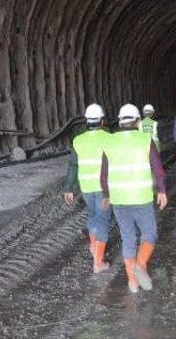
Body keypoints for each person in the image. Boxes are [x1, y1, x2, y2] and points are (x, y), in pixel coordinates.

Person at [102, 104, 168, 293]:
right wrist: (162, 190)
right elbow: (157, 168)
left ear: (120, 121)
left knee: (128, 238)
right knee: (149, 234)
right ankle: (140, 264)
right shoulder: (145, 139)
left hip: (120, 200)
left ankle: (132, 283)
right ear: (138, 121)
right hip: (141, 197)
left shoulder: (109, 141)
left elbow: (103, 173)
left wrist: (106, 195)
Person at [63, 103, 112, 273]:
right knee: (104, 221)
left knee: (93, 215)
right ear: (101, 120)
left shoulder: (78, 140)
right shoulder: (108, 138)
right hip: (103, 187)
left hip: (86, 187)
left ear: (86, 120)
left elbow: (73, 165)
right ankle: (98, 263)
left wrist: (69, 188)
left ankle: (93, 246)